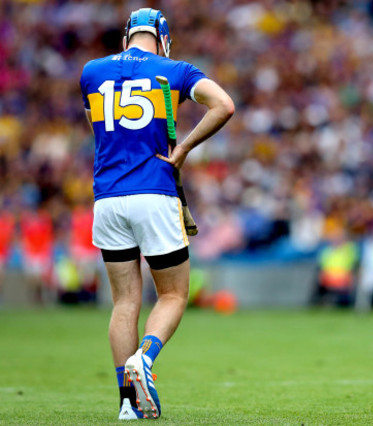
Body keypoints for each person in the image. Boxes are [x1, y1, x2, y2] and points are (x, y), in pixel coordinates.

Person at [79, 8, 234, 420]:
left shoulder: (91, 71)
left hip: (107, 198)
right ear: (162, 38)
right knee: (173, 294)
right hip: (154, 191)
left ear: (127, 36)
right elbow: (224, 105)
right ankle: (144, 360)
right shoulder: (175, 69)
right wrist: (182, 150)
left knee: (124, 301)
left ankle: (128, 404)